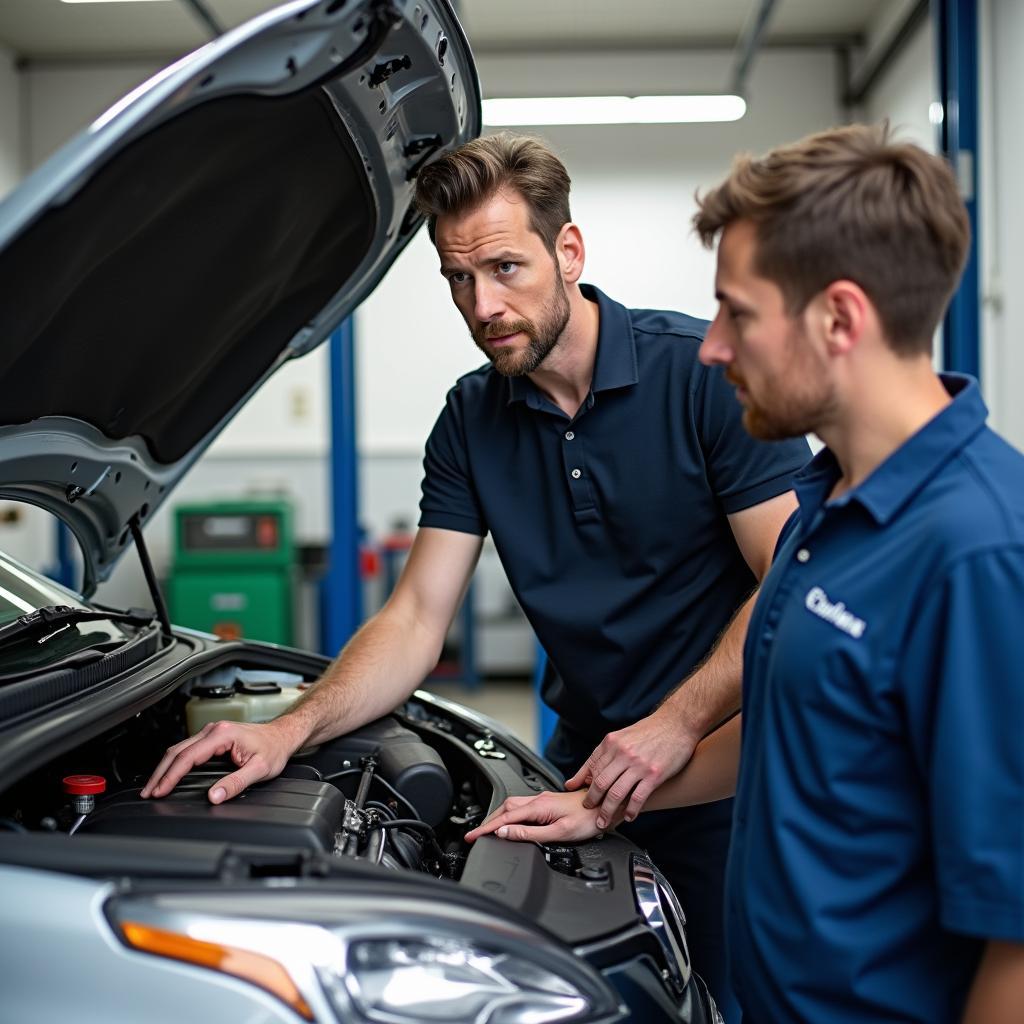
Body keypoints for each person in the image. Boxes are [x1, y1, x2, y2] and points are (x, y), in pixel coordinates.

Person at [142, 133, 809, 1020]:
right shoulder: (470, 418)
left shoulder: (702, 379)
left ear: (567, 252)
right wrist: (287, 733)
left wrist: (670, 727)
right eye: (459, 279)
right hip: (582, 782)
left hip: (732, 777)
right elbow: (417, 618)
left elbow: (793, 582)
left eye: (504, 267)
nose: (483, 304)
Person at [466, 123, 1024, 1023]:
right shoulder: (824, 513)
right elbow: (787, 738)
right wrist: (603, 807)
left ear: (839, 318)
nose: (714, 346)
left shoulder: (982, 555)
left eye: (739, 313)